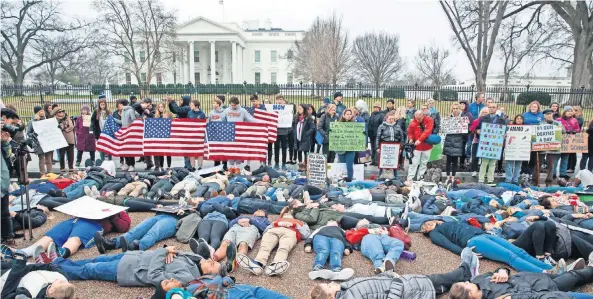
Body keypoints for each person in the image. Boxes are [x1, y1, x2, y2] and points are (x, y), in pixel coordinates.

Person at [309, 248, 480, 299]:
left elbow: (371, 282)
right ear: (330, 297)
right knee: (446, 279)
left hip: (408, 283)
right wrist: (396, 283)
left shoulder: (344, 287)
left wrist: (389, 275)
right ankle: (467, 268)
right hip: (410, 290)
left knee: (444, 283)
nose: (332, 283)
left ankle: (467, 276)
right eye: (329, 285)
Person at [424, 221, 559, 273]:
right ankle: (544, 273)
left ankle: (551, 268)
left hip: (484, 234)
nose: (426, 226)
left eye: (427, 223)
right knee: (510, 256)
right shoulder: (435, 233)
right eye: (424, 227)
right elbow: (447, 244)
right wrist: (464, 252)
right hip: (473, 241)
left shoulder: (448, 221)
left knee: (519, 251)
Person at [51, 247, 224, 287]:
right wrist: (168, 252)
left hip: (129, 270)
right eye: (214, 261)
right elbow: (176, 251)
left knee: (89, 269)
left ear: (208, 275)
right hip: (134, 256)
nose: (211, 261)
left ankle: (52, 269)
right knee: (95, 260)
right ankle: (58, 262)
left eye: (213, 266)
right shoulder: (195, 259)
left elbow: (155, 275)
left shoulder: (187, 277)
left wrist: (163, 252)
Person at [449, 258, 593, 299]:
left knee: (572, 276)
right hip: (544, 289)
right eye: (466, 284)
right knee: (572, 278)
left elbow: (497, 271)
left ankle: (589, 269)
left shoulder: (478, 281)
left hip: (534, 277)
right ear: (471, 294)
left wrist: (502, 271)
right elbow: (525, 295)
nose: (469, 281)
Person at [237, 207, 310, 276]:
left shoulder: (300, 222)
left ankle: (276, 264)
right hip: (273, 230)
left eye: (289, 214)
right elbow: (265, 230)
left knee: (284, 248)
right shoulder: (277, 220)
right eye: (285, 213)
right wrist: (274, 224)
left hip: (290, 231)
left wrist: (295, 225)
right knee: (265, 247)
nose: (287, 214)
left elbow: (306, 234)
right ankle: (258, 264)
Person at [0, 253, 76, 299]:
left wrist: (19, 267)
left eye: (61, 282)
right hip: (24, 267)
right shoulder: (62, 276)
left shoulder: (30, 293)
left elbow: (6, 295)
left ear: (51, 291)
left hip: (8, 277)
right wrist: (29, 267)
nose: (61, 280)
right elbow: (50, 266)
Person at [223, 96, 255, 174]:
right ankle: (231, 166)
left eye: (234, 105)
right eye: (231, 105)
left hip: (240, 133)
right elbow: (222, 120)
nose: (233, 106)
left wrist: (260, 122)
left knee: (238, 150)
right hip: (229, 134)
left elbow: (250, 119)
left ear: (237, 104)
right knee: (230, 151)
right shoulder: (226, 110)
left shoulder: (242, 110)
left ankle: (237, 166)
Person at [475, 102, 506, 184]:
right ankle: (481, 179)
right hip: (485, 144)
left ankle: (490, 180)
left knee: (492, 163)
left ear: (496, 109)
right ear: (488, 108)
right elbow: (477, 129)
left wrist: (504, 135)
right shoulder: (483, 118)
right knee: (484, 162)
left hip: (495, 144)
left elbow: (504, 131)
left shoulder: (501, 120)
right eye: (490, 107)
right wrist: (478, 131)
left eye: (493, 107)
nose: (492, 108)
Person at [1, 108, 19, 243]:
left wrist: (5, 143)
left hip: (3, 180)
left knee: (5, 213)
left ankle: (8, 236)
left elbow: (7, 158)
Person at [407, 110, 434, 181]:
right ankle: (410, 178)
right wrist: (411, 138)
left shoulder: (429, 120)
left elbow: (427, 131)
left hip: (427, 146)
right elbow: (410, 132)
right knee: (413, 163)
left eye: (419, 119)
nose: (417, 120)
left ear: (423, 116)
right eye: (416, 118)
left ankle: (420, 177)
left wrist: (420, 140)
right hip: (417, 147)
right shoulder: (413, 122)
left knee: (424, 163)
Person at [443, 104, 465, 186]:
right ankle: (448, 176)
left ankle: (453, 177)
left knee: (455, 161)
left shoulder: (463, 118)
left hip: (457, 141)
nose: (455, 110)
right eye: (454, 108)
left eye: (456, 108)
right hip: (449, 141)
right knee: (448, 161)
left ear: (459, 109)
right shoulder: (449, 118)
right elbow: (444, 128)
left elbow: (466, 131)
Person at [27, 106, 53, 176]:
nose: (43, 112)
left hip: (47, 141)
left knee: (49, 158)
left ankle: (50, 173)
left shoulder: (45, 120)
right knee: (41, 158)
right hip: (38, 142)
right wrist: (34, 134)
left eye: (43, 111)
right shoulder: (32, 121)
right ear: (37, 112)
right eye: (41, 111)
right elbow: (28, 133)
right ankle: (43, 174)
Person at [556, 106, 581, 179]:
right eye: (568, 111)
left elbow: (578, 129)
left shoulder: (574, 120)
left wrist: (575, 131)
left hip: (569, 141)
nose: (569, 112)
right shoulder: (559, 119)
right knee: (556, 158)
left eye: (571, 111)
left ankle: (563, 173)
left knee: (565, 158)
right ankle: (553, 173)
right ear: (564, 112)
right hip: (560, 140)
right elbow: (555, 129)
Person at [336, 109, 358, 182]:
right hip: (341, 149)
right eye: (347, 114)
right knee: (342, 166)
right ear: (344, 115)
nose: (348, 115)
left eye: (350, 114)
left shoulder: (355, 124)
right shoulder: (338, 124)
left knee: (349, 166)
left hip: (350, 149)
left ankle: (349, 180)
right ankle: (342, 180)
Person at [504, 115, 526, 184]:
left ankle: (515, 179)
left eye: (520, 119)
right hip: (511, 148)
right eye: (517, 118)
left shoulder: (526, 128)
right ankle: (508, 179)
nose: (519, 120)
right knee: (509, 164)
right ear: (515, 120)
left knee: (518, 165)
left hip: (521, 148)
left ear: (522, 120)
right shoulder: (509, 128)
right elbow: (505, 136)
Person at [187, 99, 206, 170]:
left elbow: (204, 124)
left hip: (199, 135)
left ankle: (200, 166)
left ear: (196, 106)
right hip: (191, 135)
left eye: (191, 105)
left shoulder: (202, 114)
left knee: (200, 151)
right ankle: (193, 167)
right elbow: (187, 123)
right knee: (192, 152)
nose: (190, 106)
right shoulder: (189, 113)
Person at [53, 107, 75, 172]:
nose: (61, 113)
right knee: (61, 154)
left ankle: (71, 167)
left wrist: (65, 129)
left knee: (70, 153)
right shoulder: (55, 120)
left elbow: (71, 126)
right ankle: (62, 167)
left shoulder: (67, 117)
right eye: (59, 112)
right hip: (61, 139)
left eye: (62, 111)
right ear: (56, 113)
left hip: (69, 137)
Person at [273, 95, 290, 170]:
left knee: (284, 148)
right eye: (278, 99)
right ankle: (276, 163)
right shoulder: (273, 108)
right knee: (276, 148)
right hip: (276, 131)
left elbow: (290, 116)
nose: (279, 101)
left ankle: (283, 163)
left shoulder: (287, 108)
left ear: (283, 100)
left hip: (284, 131)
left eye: (281, 99)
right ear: (276, 100)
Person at [153, 103, 172, 171]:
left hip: (167, 135)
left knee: (168, 152)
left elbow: (171, 123)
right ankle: (161, 166)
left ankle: (169, 165)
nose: (161, 108)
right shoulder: (156, 115)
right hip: (159, 135)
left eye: (162, 107)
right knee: (161, 152)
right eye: (159, 107)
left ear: (164, 107)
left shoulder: (169, 114)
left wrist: (166, 118)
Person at [459, 100, 474, 168]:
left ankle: (462, 163)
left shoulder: (469, 114)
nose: (462, 105)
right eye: (461, 104)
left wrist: (467, 132)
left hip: (464, 135)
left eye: (463, 104)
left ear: (466, 106)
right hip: (458, 135)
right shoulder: (459, 113)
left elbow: (471, 125)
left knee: (462, 149)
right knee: (459, 149)